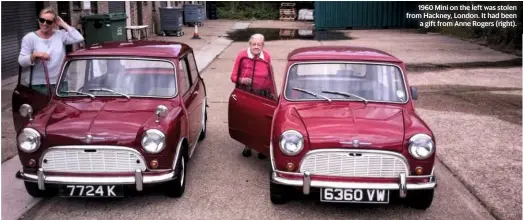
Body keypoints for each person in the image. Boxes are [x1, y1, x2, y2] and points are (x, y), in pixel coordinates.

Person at [18, 7, 84, 95]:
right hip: (38, 84)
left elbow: (79, 38)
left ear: (54, 23)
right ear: (38, 20)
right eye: (42, 20)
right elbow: (22, 61)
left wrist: (63, 23)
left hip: (60, 82)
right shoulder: (29, 38)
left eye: (49, 21)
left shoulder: (60, 35)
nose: (44, 23)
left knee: (60, 108)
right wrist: (34, 56)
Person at [230, 33, 273, 159]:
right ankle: (248, 145)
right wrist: (242, 80)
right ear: (250, 44)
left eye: (259, 44)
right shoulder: (242, 55)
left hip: (263, 93)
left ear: (263, 45)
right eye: (253, 44)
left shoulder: (266, 57)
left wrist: (271, 92)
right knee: (248, 120)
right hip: (246, 92)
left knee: (262, 121)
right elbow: (233, 77)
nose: (256, 47)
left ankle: (261, 147)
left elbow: (270, 76)